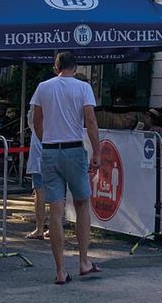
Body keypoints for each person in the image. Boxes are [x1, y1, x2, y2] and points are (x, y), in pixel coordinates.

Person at [30, 51, 102, 285]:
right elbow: (90, 121)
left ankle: (60, 270)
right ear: (76, 66)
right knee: (82, 204)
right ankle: (83, 261)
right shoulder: (83, 88)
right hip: (73, 149)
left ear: (56, 66)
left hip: (50, 150)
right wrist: (97, 151)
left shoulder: (43, 87)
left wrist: (46, 140)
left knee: (56, 209)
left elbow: (36, 121)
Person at [24, 125, 48, 240]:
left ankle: (40, 228)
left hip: (40, 154)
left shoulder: (38, 108)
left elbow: (32, 121)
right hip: (55, 154)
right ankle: (54, 227)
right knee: (57, 194)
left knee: (39, 193)